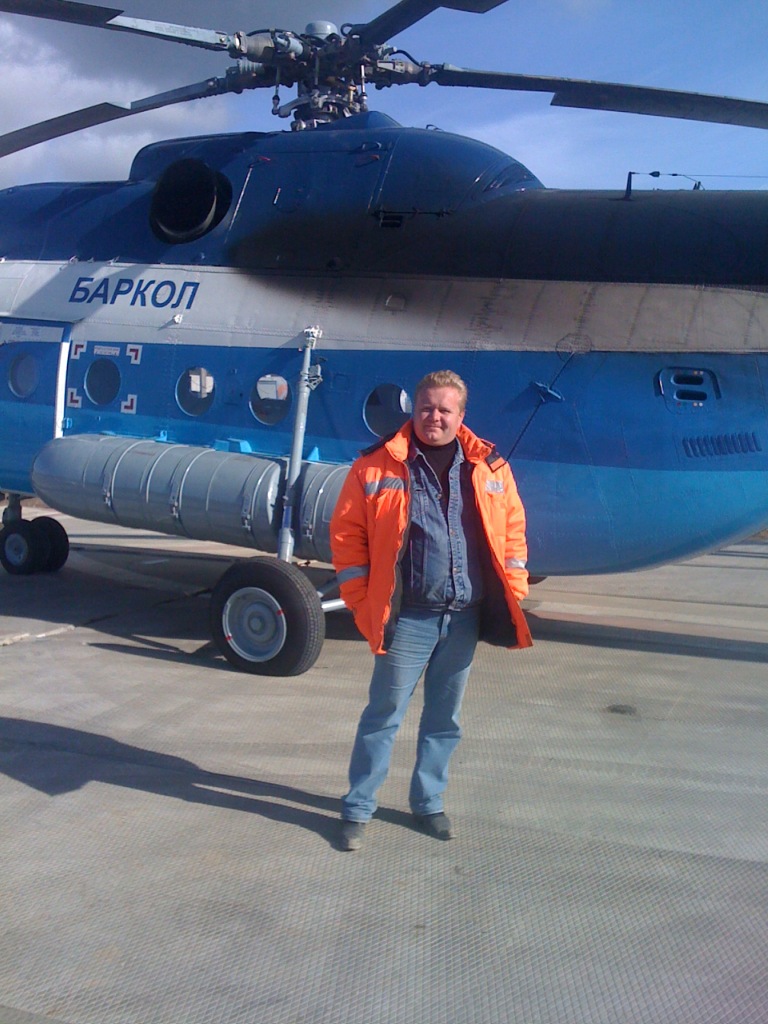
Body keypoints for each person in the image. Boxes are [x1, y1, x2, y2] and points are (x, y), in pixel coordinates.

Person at [330, 370, 532, 851]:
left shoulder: (491, 468)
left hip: (463, 617)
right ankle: (358, 809)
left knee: (445, 719)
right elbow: (347, 540)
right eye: (426, 408)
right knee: (383, 715)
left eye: (445, 409)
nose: (434, 417)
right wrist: (362, 603)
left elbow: (513, 533)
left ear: (461, 415)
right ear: (413, 411)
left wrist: (514, 589)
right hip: (408, 619)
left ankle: (429, 803)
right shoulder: (374, 467)